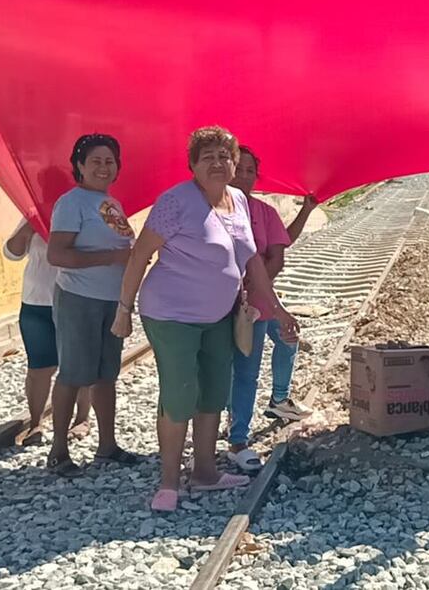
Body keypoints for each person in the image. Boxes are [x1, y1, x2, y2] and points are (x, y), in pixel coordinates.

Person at [112, 126, 299, 511]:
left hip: (219, 314)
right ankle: (168, 483)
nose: (217, 163)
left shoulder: (239, 201)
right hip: (171, 314)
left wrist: (277, 310)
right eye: (207, 156)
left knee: (214, 391)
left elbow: (252, 264)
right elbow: (140, 255)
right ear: (193, 165)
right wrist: (123, 310)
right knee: (181, 393)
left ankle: (204, 472)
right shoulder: (176, 202)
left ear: (234, 163)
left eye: (224, 156)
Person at [45, 133, 136, 477]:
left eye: (109, 161)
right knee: (73, 373)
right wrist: (112, 257)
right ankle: (58, 452)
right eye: (95, 161)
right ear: (79, 166)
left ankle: (107, 445)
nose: (103, 166)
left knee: (106, 375)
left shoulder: (111, 203)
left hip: (111, 300)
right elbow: (58, 254)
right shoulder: (71, 203)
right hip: (79, 299)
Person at [226, 146, 317, 473]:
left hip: (258, 302)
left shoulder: (264, 212)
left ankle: (242, 433)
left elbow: (278, 252)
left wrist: (254, 280)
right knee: (230, 368)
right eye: (240, 169)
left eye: (251, 170)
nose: (245, 176)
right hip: (219, 302)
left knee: (249, 368)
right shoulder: (210, 209)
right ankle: (235, 421)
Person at [4, 218, 90, 446]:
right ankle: (36, 423)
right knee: (39, 367)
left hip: (75, 299)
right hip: (36, 301)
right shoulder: (32, 212)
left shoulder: (83, 208)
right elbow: (11, 253)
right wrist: (28, 228)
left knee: (79, 364)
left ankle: (82, 419)